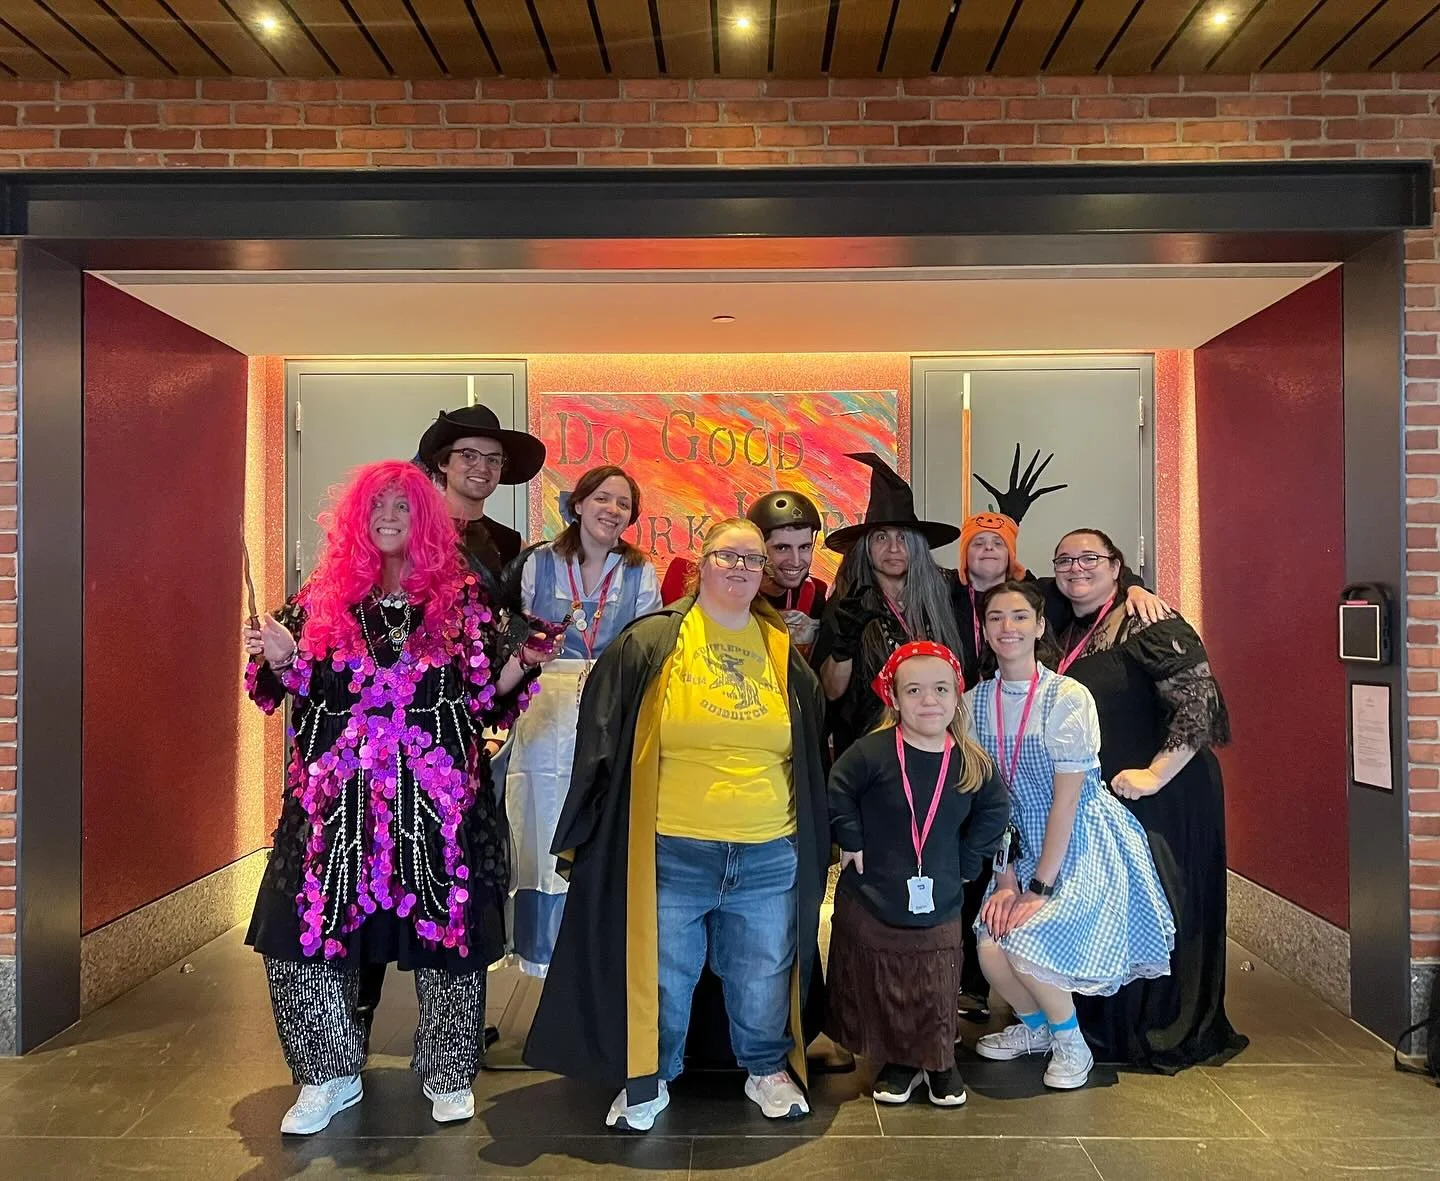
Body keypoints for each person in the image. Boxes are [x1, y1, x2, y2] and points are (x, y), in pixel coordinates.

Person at [241, 460, 555, 1135]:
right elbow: (295, 683)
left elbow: (483, 696)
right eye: (377, 506)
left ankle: (447, 1069)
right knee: (302, 936)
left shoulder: (461, 598)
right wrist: (282, 656)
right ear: (357, 518)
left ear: (426, 520)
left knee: (447, 930)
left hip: (436, 802)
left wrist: (524, 661)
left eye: (403, 506)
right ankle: (328, 1074)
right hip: (336, 804)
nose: (388, 517)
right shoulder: (322, 596)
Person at [524, 518, 831, 1134]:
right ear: (701, 563)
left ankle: (766, 1068)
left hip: (768, 846)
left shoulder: (781, 653)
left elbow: (808, 747)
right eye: (727, 556)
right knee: (663, 973)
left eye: (752, 559)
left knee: (763, 971)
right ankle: (651, 1073)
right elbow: (602, 740)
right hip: (672, 846)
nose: (741, 568)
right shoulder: (653, 642)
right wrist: (589, 834)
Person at [1050, 529, 1247, 1073]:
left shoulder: (1150, 621)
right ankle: (1108, 1028)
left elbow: (1199, 701)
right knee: (1115, 908)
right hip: (1110, 794)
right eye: (1065, 560)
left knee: (1165, 908)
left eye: (1090, 558)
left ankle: (1162, 1029)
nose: (1076, 568)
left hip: (1166, 793)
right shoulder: (1068, 623)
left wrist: (1156, 774)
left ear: (1116, 567)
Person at [965, 580, 1175, 1091]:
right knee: (990, 947)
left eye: (1020, 616)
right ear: (984, 630)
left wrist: (1039, 888)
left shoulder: (1067, 696)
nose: (1008, 627)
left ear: (1040, 627)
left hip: (1079, 842)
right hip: (1016, 843)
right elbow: (990, 802)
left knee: (1027, 944)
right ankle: (1037, 1030)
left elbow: (1066, 801)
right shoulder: (972, 703)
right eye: (995, 617)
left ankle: (1071, 1043)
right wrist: (1007, 881)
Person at [825, 641, 1009, 1108]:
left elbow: (995, 809)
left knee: (936, 978)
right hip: (873, 895)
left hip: (940, 897)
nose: (929, 700)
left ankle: (940, 1061)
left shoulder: (970, 760)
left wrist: (970, 861)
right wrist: (851, 838)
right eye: (914, 691)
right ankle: (900, 1061)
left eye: (941, 689)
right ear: (893, 697)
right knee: (887, 980)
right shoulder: (871, 752)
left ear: (957, 696)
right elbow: (839, 787)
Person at [502, 465, 662, 976]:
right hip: (544, 705)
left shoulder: (639, 571)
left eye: (623, 503)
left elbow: (647, 645)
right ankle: (541, 952)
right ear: (578, 504)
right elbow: (513, 633)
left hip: (611, 705)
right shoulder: (540, 563)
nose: (612, 510)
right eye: (602, 498)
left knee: (601, 819)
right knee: (540, 818)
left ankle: (596, 953)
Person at [812, 453, 964, 758]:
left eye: (903, 538)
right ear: (866, 547)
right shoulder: (847, 605)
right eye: (881, 537)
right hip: (868, 754)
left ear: (917, 546)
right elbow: (830, 692)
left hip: (936, 750)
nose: (893, 548)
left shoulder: (942, 599)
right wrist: (844, 646)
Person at [661, 490, 830, 655]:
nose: (796, 561)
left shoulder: (814, 596)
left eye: (804, 547)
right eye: (782, 548)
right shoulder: (722, 587)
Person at [415, 404, 547, 583]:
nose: (483, 468)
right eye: (469, 455)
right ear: (444, 462)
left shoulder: (512, 545)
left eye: (493, 459)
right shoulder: (413, 530)